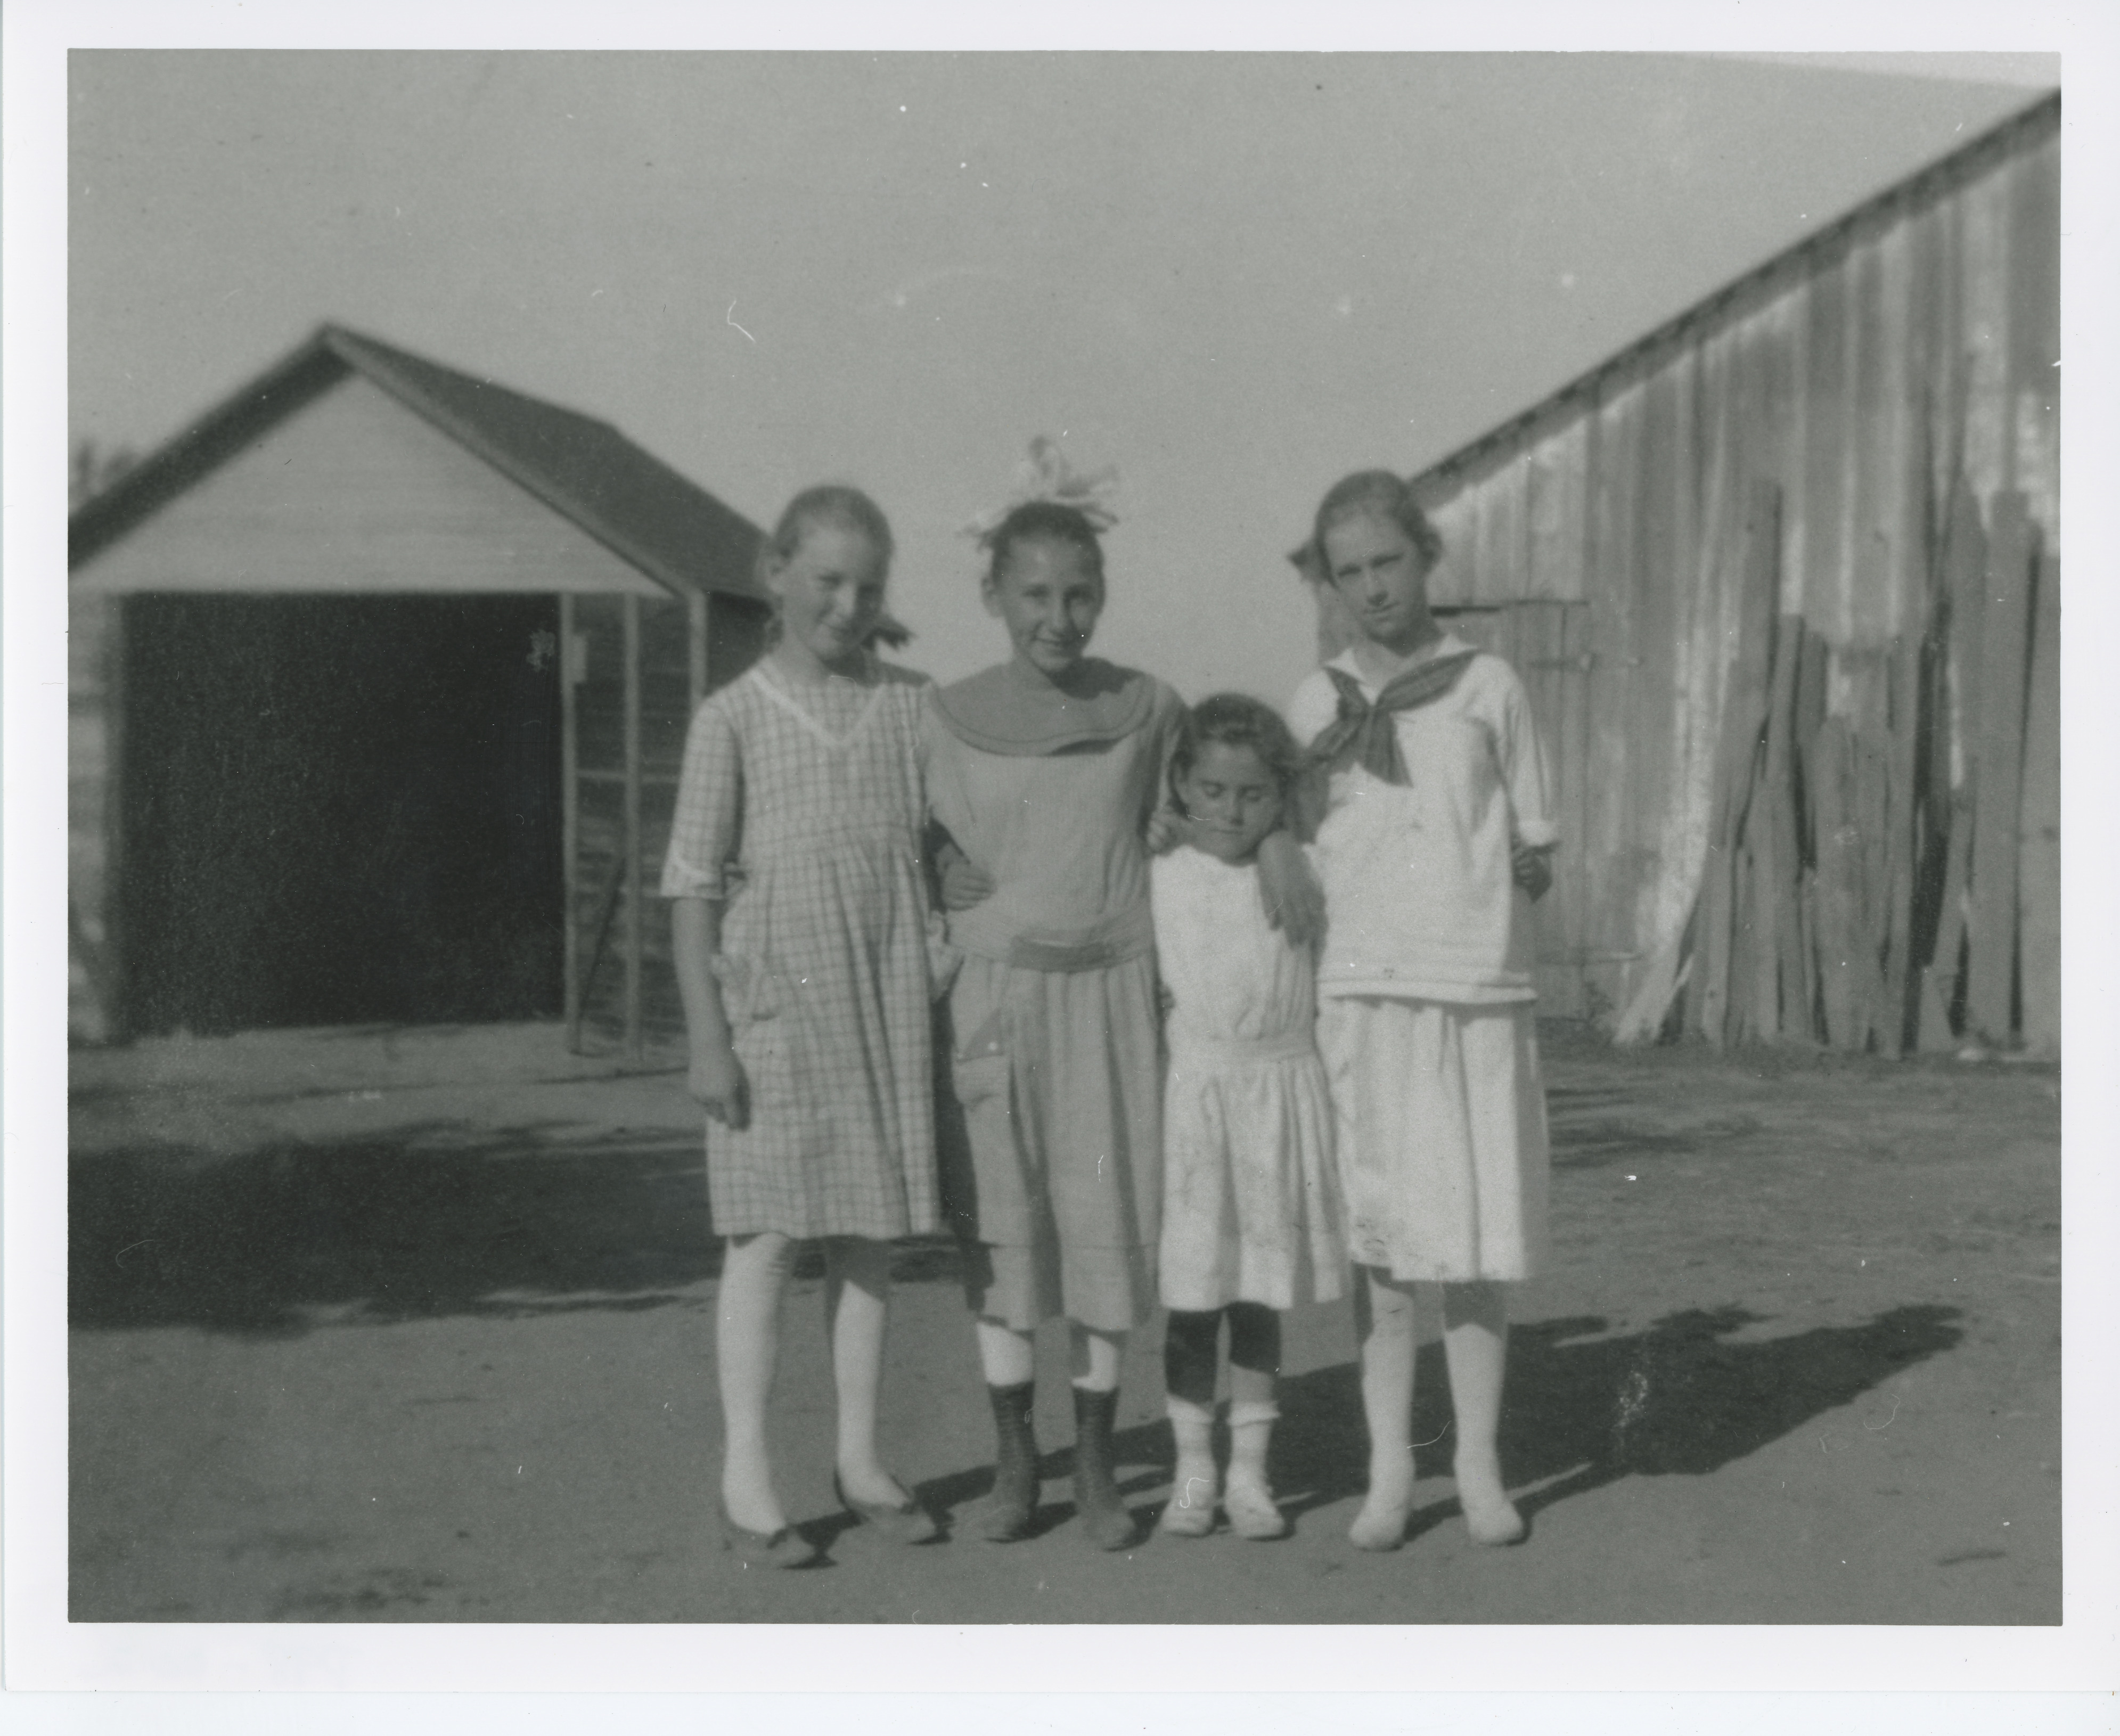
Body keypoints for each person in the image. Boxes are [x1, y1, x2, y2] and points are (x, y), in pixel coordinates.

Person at [664, 485, 944, 1568]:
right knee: (768, 1234)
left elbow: (955, 837)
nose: (846, 602)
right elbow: (690, 887)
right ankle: (748, 1473)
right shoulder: (728, 716)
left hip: (880, 996)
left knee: (868, 1233)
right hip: (773, 1003)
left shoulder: (909, 705)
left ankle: (861, 1458)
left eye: (867, 586)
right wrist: (706, 1038)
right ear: (773, 570)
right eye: (826, 578)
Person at [1288, 469, 1558, 1551]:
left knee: (1475, 1245)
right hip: (1362, 993)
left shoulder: (1486, 683)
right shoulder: (1315, 705)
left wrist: (1496, 886)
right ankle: (1391, 1469)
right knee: (1389, 1246)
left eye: (1385, 562)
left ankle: (1480, 1465)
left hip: (1470, 996)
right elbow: (1293, 845)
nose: (1371, 588)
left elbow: (1532, 839)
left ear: (1424, 557)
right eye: (1347, 572)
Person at [922, 469, 1187, 1552]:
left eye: (1077, 594)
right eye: (1032, 594)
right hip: (994, 1001)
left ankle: (1092, 1457)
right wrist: (938, 864)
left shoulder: (1149, 711)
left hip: (1111, 1002)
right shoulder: (945, 717)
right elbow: (919, 838)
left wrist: (1265, 846)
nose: (1056, 617)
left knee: (1100, 1227)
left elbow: (1205, 816)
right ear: (992, 593)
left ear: (1102, 594)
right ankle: (1013, 1456)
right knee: (1005, 1232)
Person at [1150, 694, 1346, 1543]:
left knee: (1260, 1297)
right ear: (1181, 787)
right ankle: (1192, 1471)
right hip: (1197, 1105)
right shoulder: (1156, 870)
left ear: (1281, 795)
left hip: (1276, 1098)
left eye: (1253, 796)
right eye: (1212, 790)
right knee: (1194, 1301)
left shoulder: (1304, 871)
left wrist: (1280, 845)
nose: (1230, 811)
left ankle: (1250, 1477)